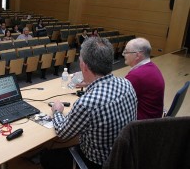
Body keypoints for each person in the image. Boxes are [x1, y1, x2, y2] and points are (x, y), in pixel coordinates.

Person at [41, 37, 137, 169]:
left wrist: (57, 110)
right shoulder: (127, 84)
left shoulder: (87, 103)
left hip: (96, 163)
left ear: (84, 66)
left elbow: (62, 132)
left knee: (46, 156)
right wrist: (90, 82)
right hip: (122, 157)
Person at [123, 37, 165, 120]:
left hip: (143, 124)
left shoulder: (136, 76)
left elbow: (118, 99)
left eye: (126, 51)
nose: (123, 54)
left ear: (137, 55)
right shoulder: (151, 66)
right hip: (154, 117)